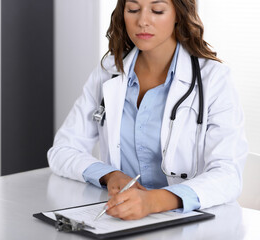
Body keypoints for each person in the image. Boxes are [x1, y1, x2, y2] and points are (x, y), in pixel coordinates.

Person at [48, 0, 248, 220]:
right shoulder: (109, 72)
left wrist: (154, 201)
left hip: (191, 222)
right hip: (121, 218)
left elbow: (228, 175)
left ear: (179, 15)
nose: (142, 21)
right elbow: (62, 150)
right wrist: (111, 176)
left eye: (157, 10)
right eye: (133, 10)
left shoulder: (214, 79)